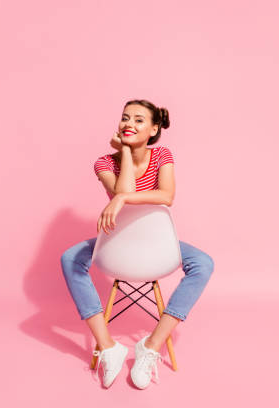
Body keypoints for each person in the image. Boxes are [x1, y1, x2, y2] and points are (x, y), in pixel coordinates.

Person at [60, 99, 214, 389]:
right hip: (116, 242)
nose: (129, 124)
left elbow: (167, 196)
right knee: (70, 259)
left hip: (156, 244)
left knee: (203, 264)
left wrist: (120, 198)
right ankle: (107, 346)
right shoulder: (105, 162)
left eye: (139, 120)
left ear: (154, 128)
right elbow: (126, 190)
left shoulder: (163, 155)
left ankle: (151, 346)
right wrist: (126, 154)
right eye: (125, 118)